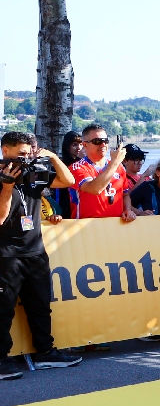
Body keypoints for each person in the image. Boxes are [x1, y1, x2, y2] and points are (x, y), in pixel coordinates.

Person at [0, 131, 82, 379]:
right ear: (6, 150)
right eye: (21, 154)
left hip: (35, 251)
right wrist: (6, 186)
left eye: (29, 153)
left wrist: (53, 157)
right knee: (3, 310)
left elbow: (68, 181)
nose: (26, 158)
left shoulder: (33, 173)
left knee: (40, 305)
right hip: (6, 255)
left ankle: (45, 352)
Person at [70, 125, 137, 222]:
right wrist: (115, 162)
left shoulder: (118, 166)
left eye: (105, 141)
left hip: (114, 226)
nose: (103, 145)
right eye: (97, 141)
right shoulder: (77, 168)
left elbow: (125, 194)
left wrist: (128, 209)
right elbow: (95, 189)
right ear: (85, 145)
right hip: (86, 228)